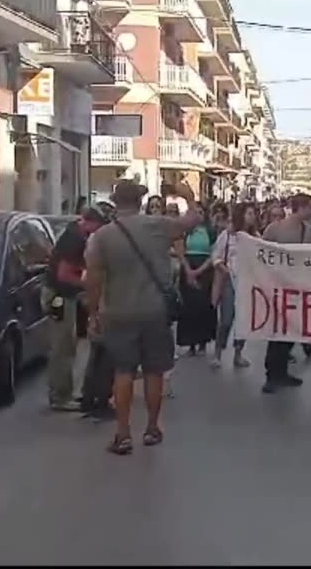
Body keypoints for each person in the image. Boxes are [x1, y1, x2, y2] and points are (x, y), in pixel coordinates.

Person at [84, 179, 200, 455]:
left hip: (118, 312)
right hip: (155, 311)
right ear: (139, 202)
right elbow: (192, 221)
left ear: (114, 202)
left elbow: (93, 280)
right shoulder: (157, 225)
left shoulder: (101, 237)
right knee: (153, 371)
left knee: (123, 372)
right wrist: (189, 196)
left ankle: (123, 433)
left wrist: (93, 313)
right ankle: (151, 428)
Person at [259, 193, 311, 394]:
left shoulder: (309, 231)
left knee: (290, 331)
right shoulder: (275, 229)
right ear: (302, 208)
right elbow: (259, 252)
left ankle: (281, 373)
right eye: (310, 207)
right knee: (277, 333)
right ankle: (272, 375)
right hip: (278, 289)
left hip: (298, 289)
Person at [44, 206, 108, 412]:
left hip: (62, 295)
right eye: (97, 227)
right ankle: (60, 396)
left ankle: (63, 393)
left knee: (68, 344)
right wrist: (88, 284)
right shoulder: (74, 239)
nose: (97, 232)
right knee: (62, 346)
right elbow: (64, 274)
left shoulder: (75, 233)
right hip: (59, 297)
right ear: (89, 222)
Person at [211, 203, 255, 369]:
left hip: (247, 281)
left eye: (253, 214)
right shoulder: (227, 235)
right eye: (249, 213)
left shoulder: (255, 237)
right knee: (226, 319)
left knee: (242, 321)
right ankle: (218, 352)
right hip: (230, 279)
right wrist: (224, 268)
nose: (252, 217)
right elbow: (216, 255)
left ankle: (238, 353)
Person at [176, 205, 217, 356]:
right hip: (188, 265)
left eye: (201, 212)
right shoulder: (185, 232)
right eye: (195, 213)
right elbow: (180, 251)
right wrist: (188, 270)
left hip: (205, 268)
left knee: (203, 306)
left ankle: (203, 342)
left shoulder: (210, 231)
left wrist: (200, 270)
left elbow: (214, 253)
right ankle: (190, 343)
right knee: (188, 306)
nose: (198, 216)